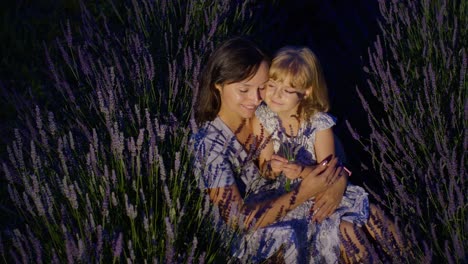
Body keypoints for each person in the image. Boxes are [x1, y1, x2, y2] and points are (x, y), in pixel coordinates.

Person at [192, 37, 348, 263]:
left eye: (263, 87)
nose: (255, 99)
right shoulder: (208, 144)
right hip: (252, 234)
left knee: (367, 220)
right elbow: (238, 220)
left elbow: (326, 142)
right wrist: (304, 191)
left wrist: (339, 180)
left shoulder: (266, 112)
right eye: (244, 89)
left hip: (294, 204)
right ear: (218, 85)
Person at [253, 46, 407, 263]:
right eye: (272, 85)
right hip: (287, 195)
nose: (276, 94)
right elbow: (265, 169)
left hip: (321, 185)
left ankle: (412, 254)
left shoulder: (319, 123)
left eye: (287, 90)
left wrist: (301, 170)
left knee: (373, 215)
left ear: (306, 92)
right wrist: (273, 168)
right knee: (348, 232)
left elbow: (330, 169)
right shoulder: (264, 118)